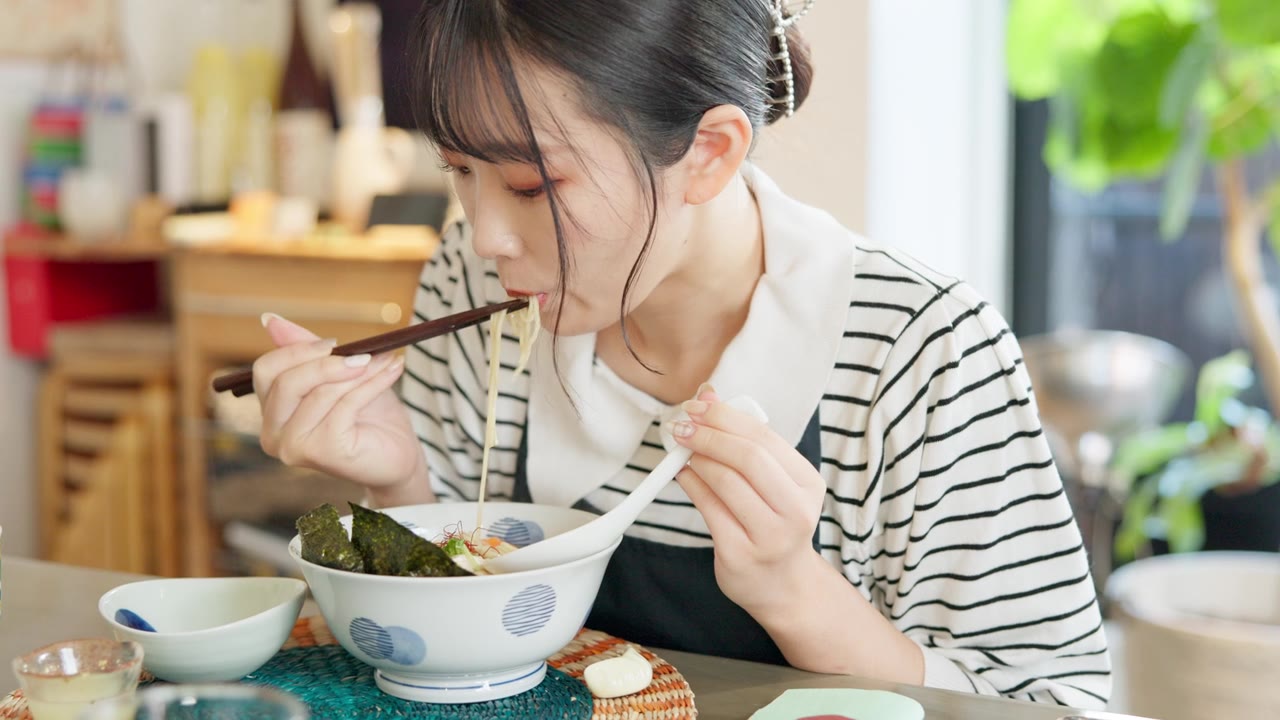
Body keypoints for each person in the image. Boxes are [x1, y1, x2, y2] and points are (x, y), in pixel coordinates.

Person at [250, 0, 1110, 709]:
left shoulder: (922, 354)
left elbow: (1055, 702)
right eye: (458, 172)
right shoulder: (471, 290)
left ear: (709, 152)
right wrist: (398, 484)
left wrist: (789, 586)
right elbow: (444, 660)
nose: (484, 239)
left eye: (528, 185)